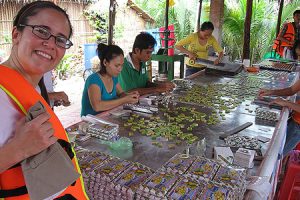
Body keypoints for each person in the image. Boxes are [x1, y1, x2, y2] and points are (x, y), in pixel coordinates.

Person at [0, 1, 88, 199]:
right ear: (16, 34)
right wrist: (17, 149)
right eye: (41, 31)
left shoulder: (36, 89)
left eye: (60, 39)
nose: (50, 43)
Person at [81, 43, 139, 116]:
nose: (120, 69)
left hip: (107, 119)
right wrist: (125, 100)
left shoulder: (114, 77)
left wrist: (130, 95)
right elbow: (97, 106)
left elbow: (121, 94)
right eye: (117, 65)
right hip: (90, 122)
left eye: (122, 65)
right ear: (105, 62)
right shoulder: (93, 80)